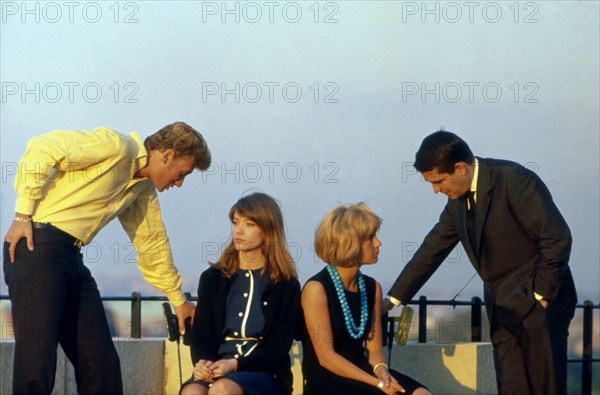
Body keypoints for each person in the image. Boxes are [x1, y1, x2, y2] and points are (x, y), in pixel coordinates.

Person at [3, 122, 211, 394]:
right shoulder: (117, 147)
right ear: (167, 155)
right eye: (181, 173)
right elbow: (43, 148)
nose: (179, 183)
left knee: (102, 366)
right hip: (37, 247)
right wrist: (22, 215)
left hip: (71, 257)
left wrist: (178, 300)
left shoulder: (141, 189)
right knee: (37, 366)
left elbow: (152, 244)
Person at [385, 130, 577, 395]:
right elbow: (431, 250)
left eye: (439, 181)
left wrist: (540, 296)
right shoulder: (456, 203)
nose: (436, 190)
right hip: (501, 309)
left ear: (460, 168)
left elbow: (556, 237)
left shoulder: (514, 179)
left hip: (539, 308)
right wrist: (393, 300)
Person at [301, 203, 430, 395]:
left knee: (420, 393)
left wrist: (382, 372)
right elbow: (326, 358)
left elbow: (375, 351)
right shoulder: (316, 289)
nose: (378, 243)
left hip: (363, 370)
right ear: (349, 243)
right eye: (370, 238)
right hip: (327, 378)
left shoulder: (372, 287)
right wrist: (377, 384)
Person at [181, 192, 301, 395]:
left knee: (223, 389)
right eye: (236, 223)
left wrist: (234, 365)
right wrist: (202, 364)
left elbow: (278, 348)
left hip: (263, 373)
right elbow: (201, 335)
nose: (239, 230)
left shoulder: (286, 285)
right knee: (192, 392)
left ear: (268, 230)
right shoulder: (212, 279)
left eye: (249, 224)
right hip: (216, 368)